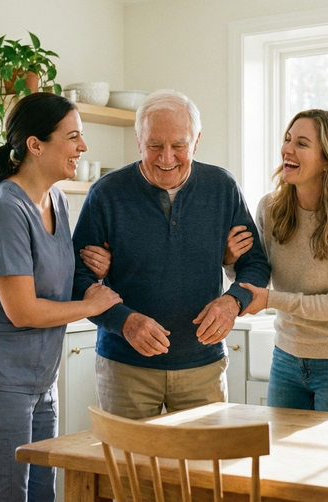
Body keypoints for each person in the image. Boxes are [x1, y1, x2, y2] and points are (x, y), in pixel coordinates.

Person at [0, 92, 122, 502]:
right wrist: (92, 306)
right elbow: (22, 310)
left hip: (39, 380)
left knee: (41, 493)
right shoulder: (3, 208)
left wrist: (97, 267)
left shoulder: (56, 199)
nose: (83, 147)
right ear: (35, 145)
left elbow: (55, 276)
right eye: (73, 136)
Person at [71, 89, 271, 420]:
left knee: (204, 470)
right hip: (125, 367)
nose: (166, 158)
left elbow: (255, 264)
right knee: (128, 470)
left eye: (179, 145)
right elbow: (77, 279)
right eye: (154, 146)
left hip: (202, 367)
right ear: (138, 141)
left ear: (196, 141)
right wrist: (125, 322)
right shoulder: (106, 193)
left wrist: (232, 302)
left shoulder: (222, 187)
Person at [233, 109, 328, 414]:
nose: (287, 149)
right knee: (283, 459)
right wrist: (230, 259)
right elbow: (257, 275)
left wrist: (272, 300)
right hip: (286, 358)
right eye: (287, 139)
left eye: (301, 143)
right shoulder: (270, 208)